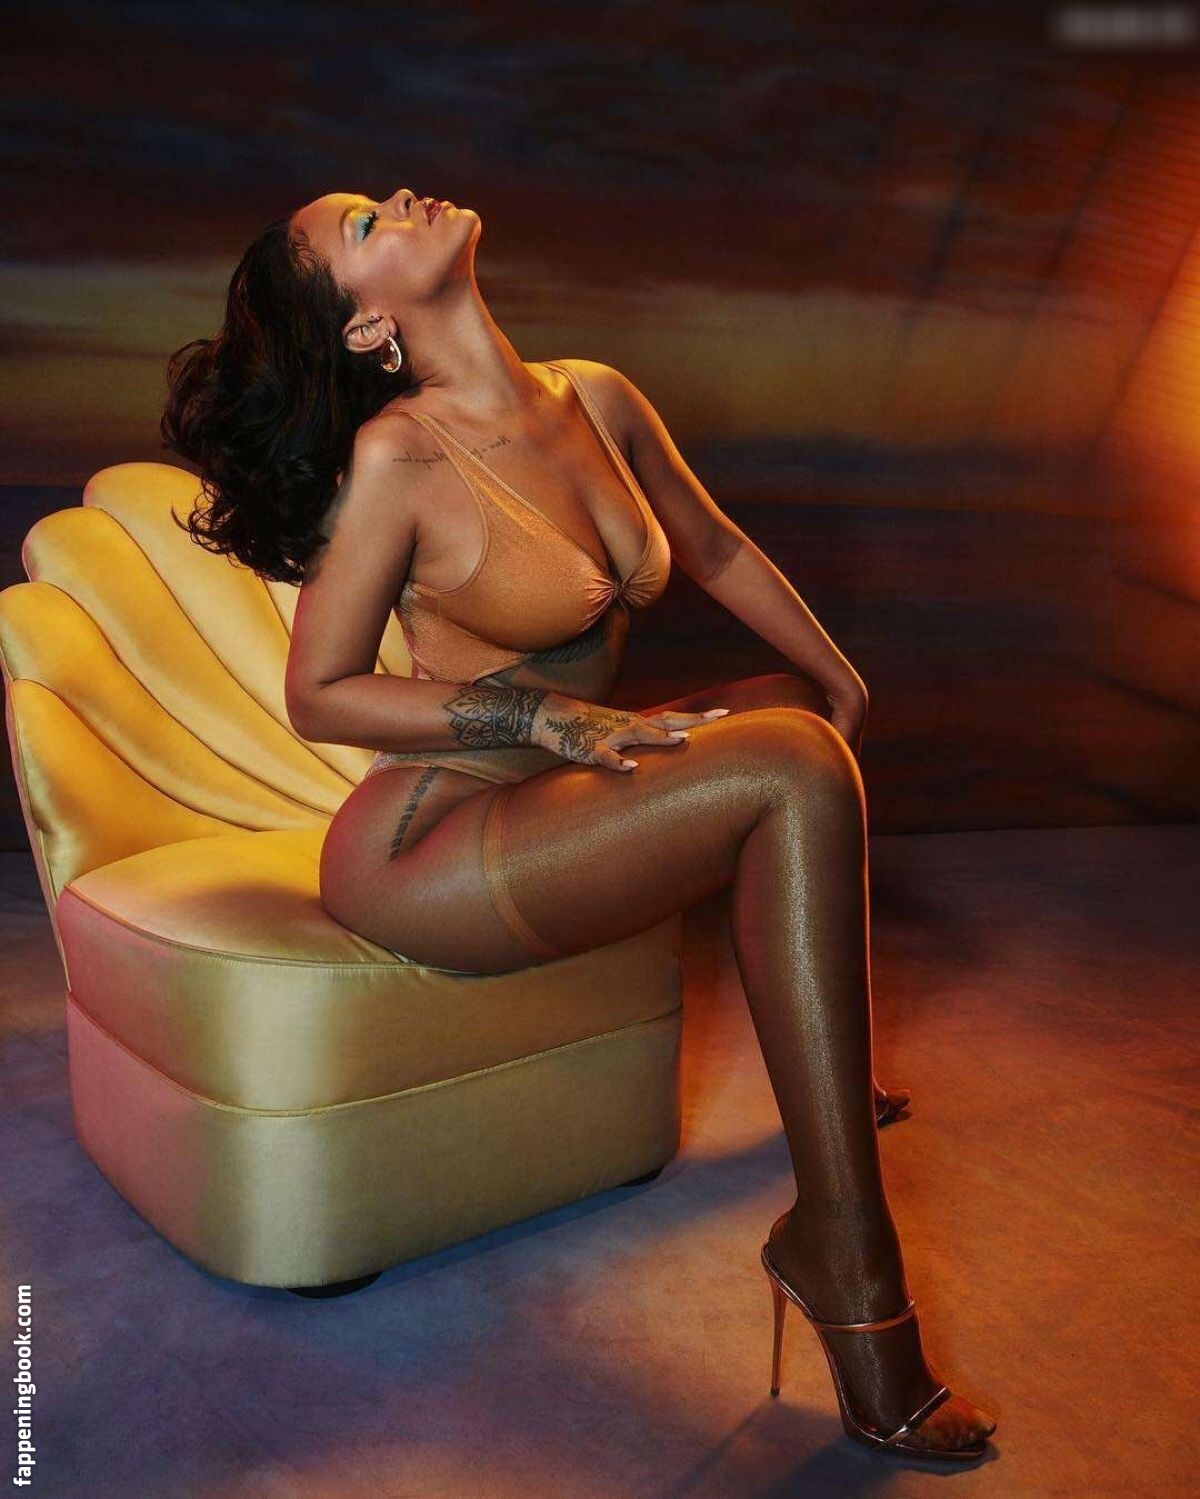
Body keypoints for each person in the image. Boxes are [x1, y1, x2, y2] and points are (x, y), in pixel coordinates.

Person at [161, 185, 997, 1460]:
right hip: (430, 840)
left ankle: (827, 1061)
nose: (398, 201)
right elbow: (320, 691)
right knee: (788, 767)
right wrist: (543, 719)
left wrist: (840, 678)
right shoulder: (400, 456)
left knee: (795, 719)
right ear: (370, 329)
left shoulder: (595, 395)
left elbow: (712, 545)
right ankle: (846, 1254)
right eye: (364, 229)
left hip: (550, 795)